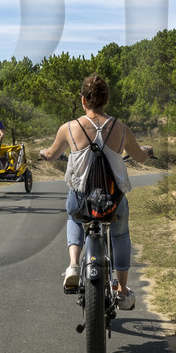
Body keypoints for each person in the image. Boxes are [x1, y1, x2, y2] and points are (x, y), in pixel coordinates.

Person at [37, 73, 148, 310]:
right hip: (113, 200)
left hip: (81, 198)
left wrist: (43, 152)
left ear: (83, 100)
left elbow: (51, 155)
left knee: (73, 218)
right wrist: (147, 152)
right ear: (106, 100)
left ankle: (74, 265)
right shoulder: (122, 129)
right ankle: (122, 291)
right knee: (120, 235)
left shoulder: (69, 128)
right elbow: (139, 156)